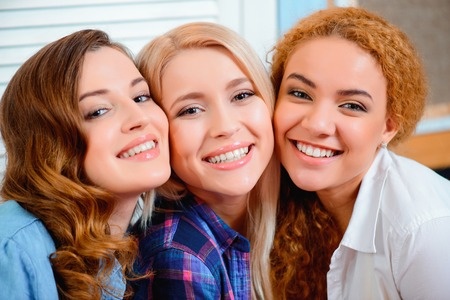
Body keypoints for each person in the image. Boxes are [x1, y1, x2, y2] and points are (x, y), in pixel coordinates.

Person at [269, 6, 450, 300]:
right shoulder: (278, 194)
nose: (317, 124)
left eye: (352, 105)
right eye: (300, 94)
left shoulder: (427, 233)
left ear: (388, 127)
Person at [0, 29, 171, 299]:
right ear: (50, 145)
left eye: (140, 97)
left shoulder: (122, 251)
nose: (139, 117)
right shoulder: (12, 247)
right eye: (99, 111)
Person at [131, 22, 279, 299]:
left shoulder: (293, 211)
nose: (225, 126)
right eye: (190, 110)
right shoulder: (178, 256)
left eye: (242, 95)